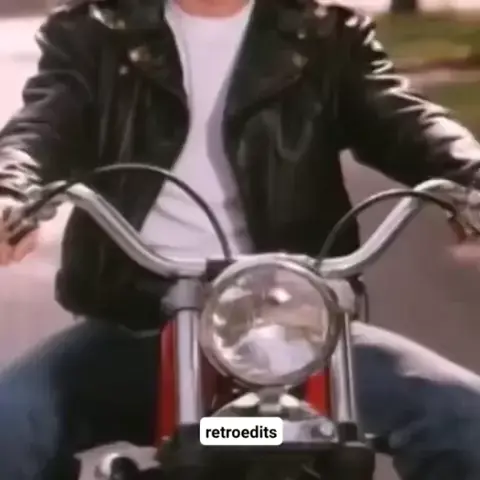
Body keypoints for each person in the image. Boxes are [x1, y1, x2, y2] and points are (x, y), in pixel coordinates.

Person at [1, 0, 480, 478]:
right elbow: (42, 126)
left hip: (299, 331)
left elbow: (402, 119)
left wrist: (470, 175)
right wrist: (11, 192)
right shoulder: (95, 30)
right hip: (138, 327)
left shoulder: (324, 34)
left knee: (466, 420)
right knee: (10, 427)